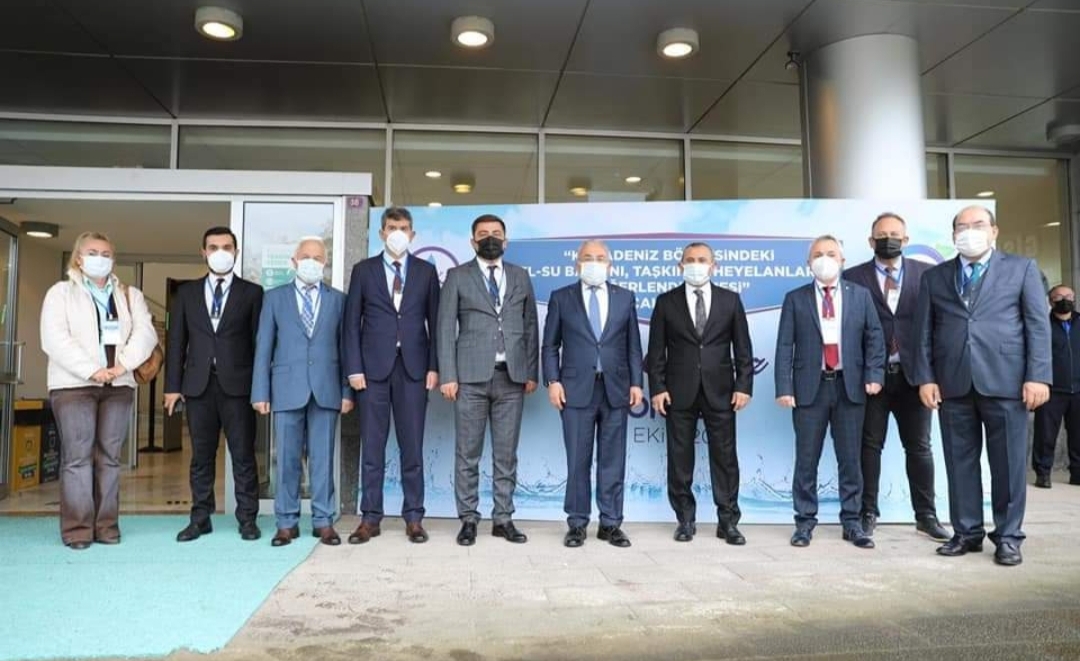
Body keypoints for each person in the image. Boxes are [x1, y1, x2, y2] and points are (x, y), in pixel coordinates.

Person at [913, 205, 1051, 567]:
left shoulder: (1021, 269)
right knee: (959, 463)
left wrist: (1038, 375)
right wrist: (926, 377)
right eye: (962, 226)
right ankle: (967, 532)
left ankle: (1008, 537)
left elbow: (1037, 325)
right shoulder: (935, 277)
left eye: (978, 225)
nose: (969, 231)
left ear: (994, 231)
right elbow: (923, 332)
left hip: (1007, 382)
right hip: (953, 383)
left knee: (1008, 465)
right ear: (953, 234)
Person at [41, 232, 157, 549]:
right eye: (92, 252)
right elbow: (54, 338)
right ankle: (78, 529)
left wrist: (121, 367)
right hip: (74, 386)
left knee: (109, 458)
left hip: (118, 386)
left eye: (106, 253)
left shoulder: (129, 295)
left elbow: (145, 334)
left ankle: (106, 526)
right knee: (78, 458)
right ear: (78, 258)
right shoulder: (60, 293)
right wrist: (92, 370)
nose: (100, 258)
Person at [842, 212, 950, 541]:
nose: (888, 239)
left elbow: (938, 326)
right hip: (871, 378)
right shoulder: (852, 277)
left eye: (894, 234)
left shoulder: (928, 274)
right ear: (870, 241)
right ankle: (867, 512)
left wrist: (933, 376)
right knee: (869, 447)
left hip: (914, 377)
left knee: (919, 447)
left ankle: (926, 515)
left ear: (905, 239)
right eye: (881, 235)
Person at [775, 235, 885, 550]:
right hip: (809, 389)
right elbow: (785, 344)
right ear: (809, 263)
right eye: (818, 254)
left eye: (831, 253)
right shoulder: (795, 298)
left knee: (850, 459)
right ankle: (804, 523)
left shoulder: (860, 296)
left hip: (850, 387)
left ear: (842, 260)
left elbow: (875, 337)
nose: (825, 259)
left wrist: (874, 375)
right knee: (806, 459)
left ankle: (852, 522)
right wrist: (784, 386)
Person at [438, 214, 539, 546]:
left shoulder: (520, 276)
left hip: (511, 377)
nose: (490, 238)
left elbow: (530, 326)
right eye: (483, 234)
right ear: (473, 241)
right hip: (469, 379)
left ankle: (503, 518)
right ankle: (468, 519)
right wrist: (448, 375)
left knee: (506, 454)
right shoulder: (457, 276)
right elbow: (444, 328)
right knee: (468, 453)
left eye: (496, 233)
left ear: (506, 240)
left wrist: (531, 372)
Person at [343, 207, 440, 544]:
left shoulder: (426, 271)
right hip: (372, 372)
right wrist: (354, 368)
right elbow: (350, 324)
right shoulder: (363, 270)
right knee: (372, 447)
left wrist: (434, 366)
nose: (398, 232)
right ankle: (370, 518)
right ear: (381, 233)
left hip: (413, 370)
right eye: (392, 227)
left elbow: (436, 323)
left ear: (412, 234)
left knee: (412, 448)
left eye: (403, 227)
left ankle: (414, 517)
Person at [647, 242, 754, 545]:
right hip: (678, 392)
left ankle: (728, 521)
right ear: (680, 265)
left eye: (702, 259)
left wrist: (743, 386)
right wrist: (658, 388)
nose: (696, 264)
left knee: (725, 458)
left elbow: (743, 349)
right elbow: (656, 352)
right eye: (690, 259)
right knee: (680, 458)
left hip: (721, 391)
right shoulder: (666, 302)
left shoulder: (730, 300)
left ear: (713, 266)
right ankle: (685, 520)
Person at [165, 226, 264, 542]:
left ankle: (247, 519)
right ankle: (200, 518)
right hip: (198, 387)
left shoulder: (252, 293)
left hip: (239, 388)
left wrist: (262, 389)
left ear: (236, 252)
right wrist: (172, 386)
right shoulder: (186, 293)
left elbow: (260, 344)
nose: (220, 252)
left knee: (243, 456)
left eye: (226, 247)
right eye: (213, 247)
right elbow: (176, 341)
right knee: (201, 457)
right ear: (203, 252)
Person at [252, 237, 353, 547]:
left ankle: (323, 521)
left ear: (325, 263)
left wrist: (347, 391)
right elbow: (264, 347)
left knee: (323, 459)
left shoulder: (338, 300)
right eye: (306, 256)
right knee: (286, 460)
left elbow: (346, 348)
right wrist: (260, 392)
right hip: (286, 389)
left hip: (326, 388)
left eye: (318, 258)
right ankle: (286, 522)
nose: (312, 262)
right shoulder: (274, 298)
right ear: (294, 261)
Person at [542, 240, 643, 548]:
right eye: (588, 257)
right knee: (578, 460)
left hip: (616, 389)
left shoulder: (625, 297)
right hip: (574, 390)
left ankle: (610, 523)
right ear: (577, 263)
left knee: (613, 460)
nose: (594, 262)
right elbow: (550, 345)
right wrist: (553, 381)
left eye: (600, 258)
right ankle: (577, 523)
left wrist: (636, 383)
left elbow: (633, 346)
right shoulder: (561, 297)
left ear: (609, 264)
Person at [1032, 285, 1080, 489]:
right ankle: (1043, 474)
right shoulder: (1042, 325)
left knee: (1078, 435)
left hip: (1078, 390)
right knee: (1045, 435)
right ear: (1051, 301)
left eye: (1069, 296)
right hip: (1051, 389)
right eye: (1059, 297)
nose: (1065, 300)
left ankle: (1077, 473)